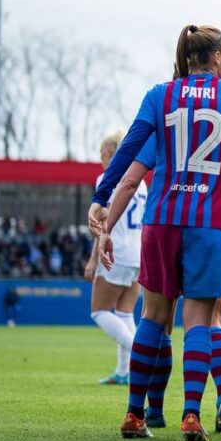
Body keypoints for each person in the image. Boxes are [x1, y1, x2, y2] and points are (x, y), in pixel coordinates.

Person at [90, 23, 221, 441]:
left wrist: (101, 202)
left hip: (160, 222)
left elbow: (126, 158)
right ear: (215, 58)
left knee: (154, 318)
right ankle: (191, 415)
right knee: (200, 320)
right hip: (210, 226)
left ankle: (135, 414)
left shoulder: (160, 95)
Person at [86, 129, 149, 385]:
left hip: (116, 250)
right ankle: (124, 372)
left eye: (101, 152)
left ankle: (140, 356)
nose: (100, 157)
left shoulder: (107, 179)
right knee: (124, 313)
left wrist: (92, 259)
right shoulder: (141, 180)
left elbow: (101, 223)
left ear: (111, 153)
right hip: (137, 253)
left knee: (99, 311)